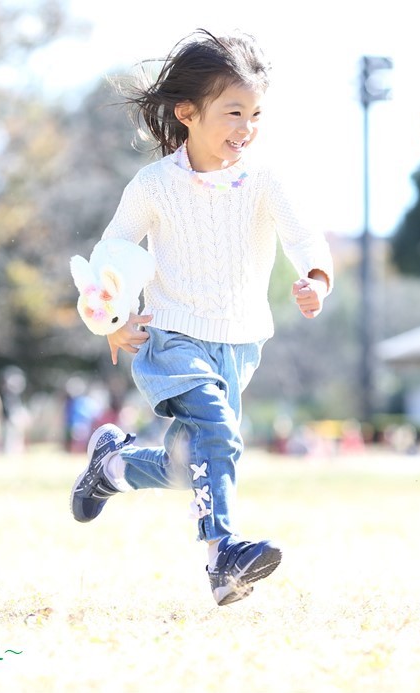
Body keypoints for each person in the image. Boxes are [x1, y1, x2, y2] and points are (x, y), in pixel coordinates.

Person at [69, 29, 334, 606]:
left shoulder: (266, 179)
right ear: (187, 112)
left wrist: (315, 279)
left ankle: (112, 467)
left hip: (239, 344)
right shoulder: (154, 185)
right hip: (172, 336)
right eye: (234, 112)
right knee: (217, 432)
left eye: (256, 113)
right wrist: (113, 321)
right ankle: (224, 559)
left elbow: (305, 237)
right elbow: (110, 256)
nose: (247, 127)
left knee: (192, 463)